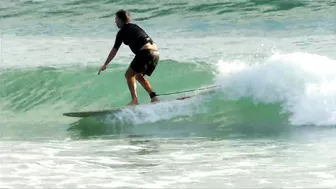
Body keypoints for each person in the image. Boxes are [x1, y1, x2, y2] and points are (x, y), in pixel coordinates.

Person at [98, 9, 160, 106]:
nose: (115, 22)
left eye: (116, 19)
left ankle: (134, 100)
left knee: (128, 75)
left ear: (120, 19)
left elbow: (114, 50)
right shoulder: (135, 26)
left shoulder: (122, 32)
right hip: (155, 52)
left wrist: (105, 64)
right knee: (138, 76)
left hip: (145, 52)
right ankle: (154, 97)